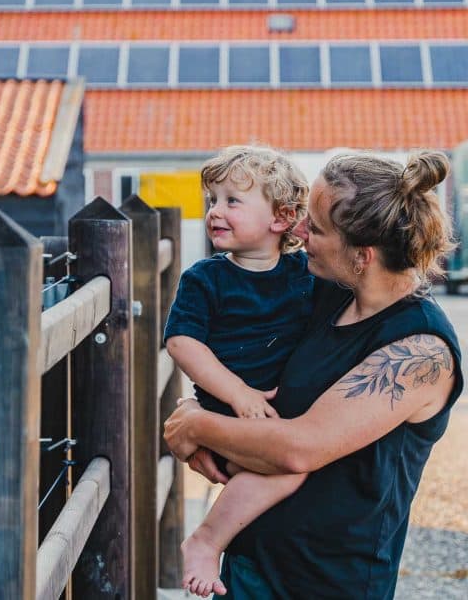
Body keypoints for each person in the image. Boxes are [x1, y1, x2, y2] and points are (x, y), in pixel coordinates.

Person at [164, 150, 464, 600]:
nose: (298, 232)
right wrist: (201, 403)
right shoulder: (319, 293)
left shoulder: (420, 352)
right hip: (246, 565)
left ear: (362, 255)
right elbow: (236, 349)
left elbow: (299, 449)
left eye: (316, 228)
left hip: (325, 583)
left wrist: (195, 425)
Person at [162, 145, 315, 597]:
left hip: (273, 418)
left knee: (288, 458)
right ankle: (206, 541)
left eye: (232, 201)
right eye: (213, 200)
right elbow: (182, 342)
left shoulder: (303, 273)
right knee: (289, 467)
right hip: (227, 414)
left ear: (282, 219)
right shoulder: (205, 278)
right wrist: (237, 393)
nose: (215, 212)